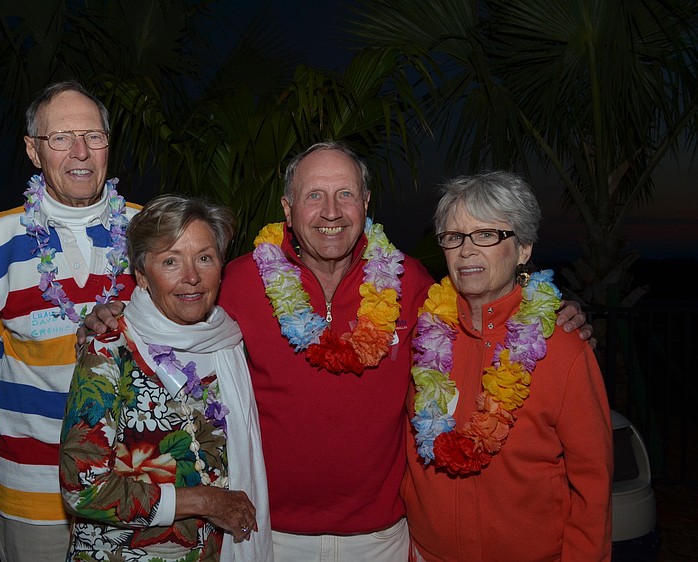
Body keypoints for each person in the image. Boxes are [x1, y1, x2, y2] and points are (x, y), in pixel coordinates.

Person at [82, 142, 592, 562]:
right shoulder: (237, 282)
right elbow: (175, 305)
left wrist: (551, 311)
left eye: (345, 194)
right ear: (288, 208)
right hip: (270, 535)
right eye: (314, 196)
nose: (330, 212)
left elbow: (487, 306)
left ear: (366, 203)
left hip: (382, 539)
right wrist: (113, 314)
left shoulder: (413, 284)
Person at [0, 80, 142, 561]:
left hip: (137, 486)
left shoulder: (152, 233)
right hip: (31, 493)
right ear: (34, 151)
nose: (80, 151)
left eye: (93, 135)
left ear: (107, 144)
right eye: (60, 138)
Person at [403, 171, 612, 561]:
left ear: (523, 249)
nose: (466, 251)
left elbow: (592, 483)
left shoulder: (562, 347)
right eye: (454, 236)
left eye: (486, 234)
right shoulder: (420, 332)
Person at [60, 194, 272, 561]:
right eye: (170, 261)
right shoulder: (110, 348)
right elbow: (81, 487)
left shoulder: (228, 340)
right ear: (141, 275)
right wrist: (205, 501)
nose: (191, 277)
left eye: (204, 258)